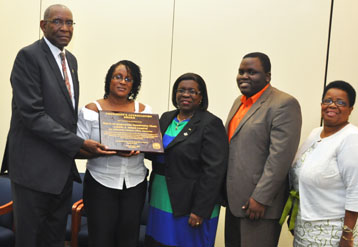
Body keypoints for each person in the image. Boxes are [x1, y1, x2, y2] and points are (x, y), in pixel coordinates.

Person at [0, 4, 113, 247]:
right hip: (33, 170)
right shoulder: (28, 56)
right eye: (57, 22)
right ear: (43, 25)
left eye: (69, 23)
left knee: (53, 240)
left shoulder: (70, 60)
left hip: (61, 170)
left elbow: (65, 116)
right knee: (30, 240)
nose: (65, 28)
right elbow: (33, 115)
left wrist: (88, 140)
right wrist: (80, 144)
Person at [225, 52, 302, 247]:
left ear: (267, 76)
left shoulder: (283, 104)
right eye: (241, 71)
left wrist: (260, 198)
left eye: (252, 72)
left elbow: (280, 158)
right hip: (234, 202)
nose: (244, 76)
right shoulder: (239, 102)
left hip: (259, 206)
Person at [144, 73, 228, 247]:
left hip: (191, 202)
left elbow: (214, 171)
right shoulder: (166, 118)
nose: (186, 94)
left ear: (201, 96)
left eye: (192, 91)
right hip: (161, 196)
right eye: (181, 90)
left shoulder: (210, 123)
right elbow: (155, 151)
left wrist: (200, 210)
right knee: (159, 242)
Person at [290, 80, 358, 246]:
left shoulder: (352, 139)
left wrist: (347, 236)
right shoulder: (316, 133)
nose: (332, 106)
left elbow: (356, 190)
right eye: (328, 100)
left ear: (351, 109)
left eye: (341, 102)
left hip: (337, 229)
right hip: (309, 225)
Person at [76, 60, 151, 247]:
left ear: (134, 85)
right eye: (118, 77)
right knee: (100, 239)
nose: (123, 82)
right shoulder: (91, 110)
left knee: (129, 239)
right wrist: (101, 152)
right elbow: (76, 148)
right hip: (100, 184)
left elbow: (150, 144)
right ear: (109, 81)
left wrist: (141, 147)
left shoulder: (143, 111)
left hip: (135, 183)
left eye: (128, 79)